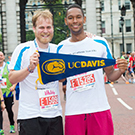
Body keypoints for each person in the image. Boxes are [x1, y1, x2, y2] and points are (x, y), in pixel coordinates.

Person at [57, 4, 128, 135]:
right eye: (71, 18)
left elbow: (111, 74)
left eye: (78, 17)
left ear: (84, 19)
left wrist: (121, 70)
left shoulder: (100, 43)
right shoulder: (61, 48)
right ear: (66, 21)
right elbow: (61, 78)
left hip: (99, 108)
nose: (75, 21)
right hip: (74, 111)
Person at [8, 10, 63, 135]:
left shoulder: (57, 50)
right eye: (41, 27)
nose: (45, 31)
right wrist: (29, 68)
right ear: (34, 29)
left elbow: (62, 79)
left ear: (53, 28)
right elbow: (12, 78)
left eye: (48, 27)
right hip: (30, 115)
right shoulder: (23, 49)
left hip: (54, 114)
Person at [0, 51, 16, 134]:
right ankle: (1, 129)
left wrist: (13, 86)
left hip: (8, 93)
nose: (0, 57)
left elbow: (15, 76)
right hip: (0, 94)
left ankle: (12, 125)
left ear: (3, 57)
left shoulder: (9, 66)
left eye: (1, 55)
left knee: (9, 110)